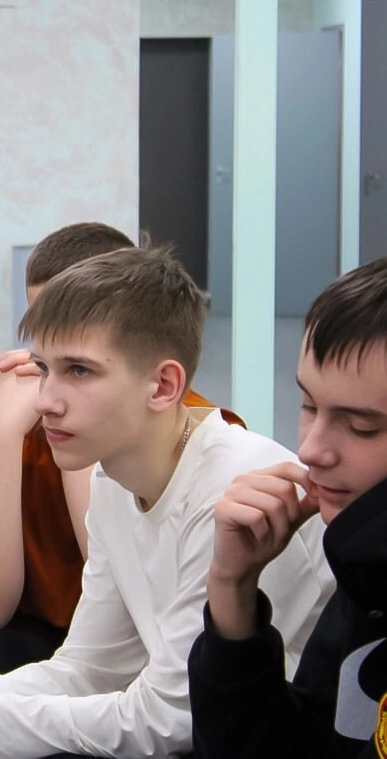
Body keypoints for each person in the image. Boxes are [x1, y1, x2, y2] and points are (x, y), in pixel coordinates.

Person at [0, 247, 334, 759]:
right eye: (43, 368)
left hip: (271, 744)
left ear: (163, 385)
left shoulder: (235, 486)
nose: (45, 400)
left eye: (79, 371)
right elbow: (85, 672)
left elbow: (174, 722)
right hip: (193, 729)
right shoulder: (113, 480)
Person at [0, 223, 243, 692]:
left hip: (150, 645)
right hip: (43, 640)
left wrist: (84, 447)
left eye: (78, 364)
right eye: (43, 349)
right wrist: (4, 433)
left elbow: (143, 618)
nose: (48, 390)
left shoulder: (197, 433)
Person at [188, 256, 387, 758]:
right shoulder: (365, 575)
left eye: (361, 427)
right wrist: (232, 589)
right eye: (309, 406)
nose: (311, 449)